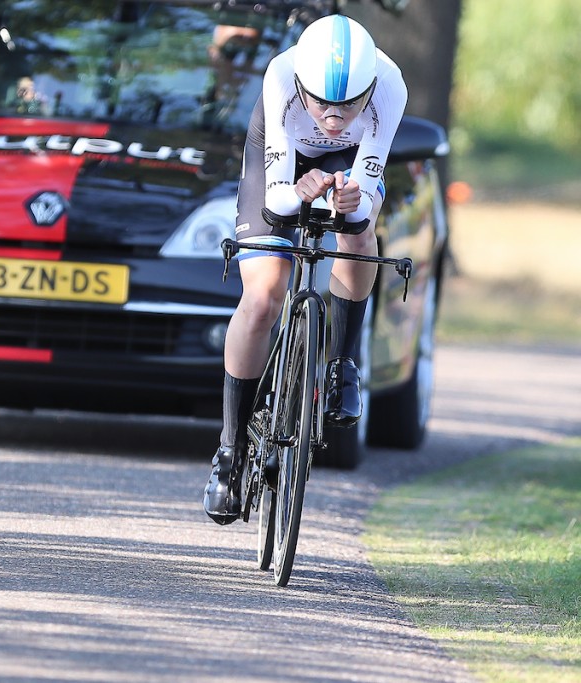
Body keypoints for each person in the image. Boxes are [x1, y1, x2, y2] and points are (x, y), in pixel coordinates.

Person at [203, 14, 407, 524]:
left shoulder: (391, 87)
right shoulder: (280, 76)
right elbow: (275, 204)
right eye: (321, 102)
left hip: (351, 165)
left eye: (348, 104)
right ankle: (230, 451)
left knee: (357, 234)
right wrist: (298, 191)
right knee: (266, 292)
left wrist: (350, 201)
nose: (334, 115)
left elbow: (362, 207)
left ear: (370, 90)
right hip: (282, 163)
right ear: (301, 86)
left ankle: (342, 363)